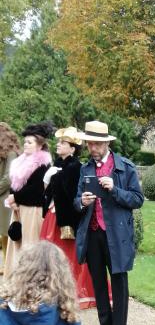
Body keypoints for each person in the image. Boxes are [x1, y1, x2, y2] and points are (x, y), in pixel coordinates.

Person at [74, 120, 144, 325]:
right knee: (98, 281)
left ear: (106, 144)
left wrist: (114, 189)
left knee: (119, 281)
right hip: (93, 233)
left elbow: (137, 199)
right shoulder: (85, 169)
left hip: (117, 233)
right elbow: (76, 201)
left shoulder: (124, 167)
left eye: (96, 144)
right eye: (89, 144)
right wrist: (82, 202)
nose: (92, 148)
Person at [41, 126, 97, 309]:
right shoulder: (58, 165)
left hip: (66, 220)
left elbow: (72, 196)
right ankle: (52, 290)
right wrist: (48, 180)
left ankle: (71, 291)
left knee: (67, 255)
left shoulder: (75, 167)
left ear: (72, 148)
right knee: (49, 254)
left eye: (63, 143)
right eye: (59, 142)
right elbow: (48, 194)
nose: (58, 145)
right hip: (53, 216)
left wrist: (58, 176)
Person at [4, 121, 53, 278]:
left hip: (32, 211)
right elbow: (14, 184)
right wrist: (13, 200)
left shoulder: (43, 164)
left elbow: (37, 190)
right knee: (16, 243)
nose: (25, 144)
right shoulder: (20, 162)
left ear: (40, 145)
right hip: (18, 209)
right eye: (25, 141)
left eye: (30, 142)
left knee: (30, 247)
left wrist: (15, 197)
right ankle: (15, 281)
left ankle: (30, 282)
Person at [0, 123, 20, 275]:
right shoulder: (3, 153)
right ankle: (6, 265)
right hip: (2, 195)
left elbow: (8, 178)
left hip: (6, 197)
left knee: (8, 232)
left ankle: (9, 266)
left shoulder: (11, 153)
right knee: (3, 233)